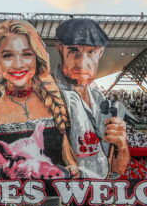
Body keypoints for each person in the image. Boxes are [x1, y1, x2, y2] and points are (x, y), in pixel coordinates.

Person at [0, 19, 95, 181]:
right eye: (8, 55)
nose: (18, 64)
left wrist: (76, 172)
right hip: (7, 205)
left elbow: (95, 167)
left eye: (26, 54)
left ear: (37, 58)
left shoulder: (69, 104)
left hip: (59, 204)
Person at [53, 18, 132, 178]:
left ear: (101, 52)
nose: (82, 63)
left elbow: (117, 171)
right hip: (65, 195)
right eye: (74, 51)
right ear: (60, 49)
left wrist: (121, 146)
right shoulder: (48, 94)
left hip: (97, 193)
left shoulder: (101, 99)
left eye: (91, 52)